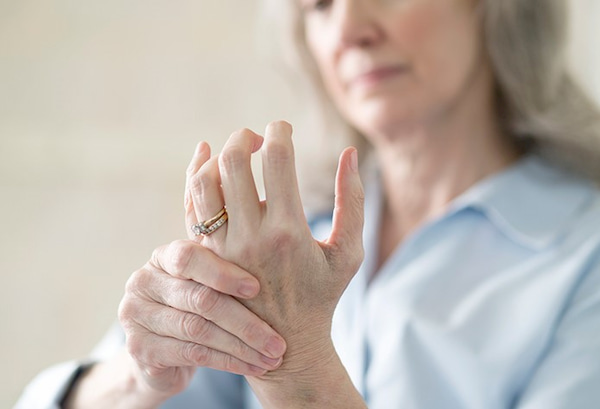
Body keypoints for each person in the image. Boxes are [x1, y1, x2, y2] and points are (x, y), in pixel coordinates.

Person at [16, 0, 600, 408]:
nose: (349, 28)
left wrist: (290, 360)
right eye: (318, 4)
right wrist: (143, 371)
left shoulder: (584, 255)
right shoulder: (283, 239)